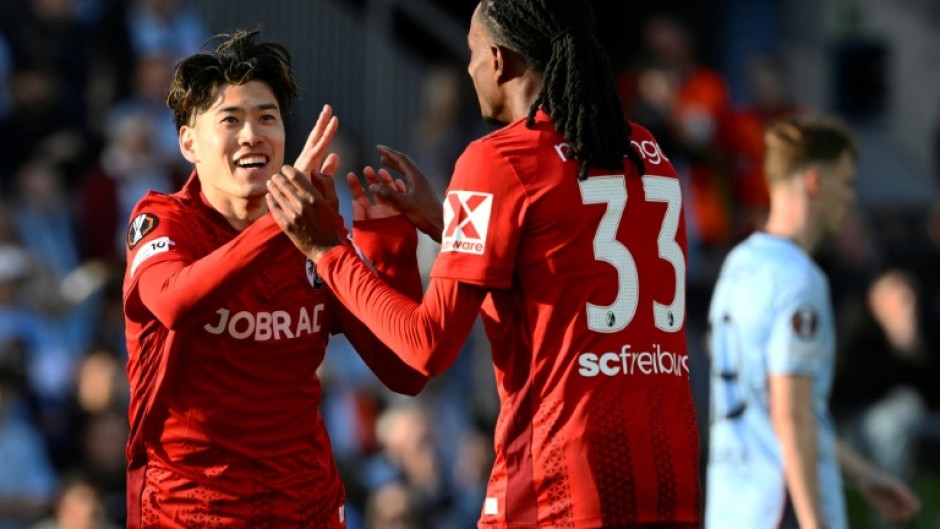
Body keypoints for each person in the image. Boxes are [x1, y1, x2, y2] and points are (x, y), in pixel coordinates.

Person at [266, 0, 701, 526]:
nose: (468, 69)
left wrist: (327, 250)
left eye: (471, 53)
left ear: (497, 59)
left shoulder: (497, 158)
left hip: (559, 480)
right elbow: (562, 263)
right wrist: (448, 227)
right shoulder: (644, 149)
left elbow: (425, 346)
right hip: (668, 468)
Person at [121, 30, 429, 528]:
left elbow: (405, 372)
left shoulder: (311, 232)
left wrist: (391, 248)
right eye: (231, 119)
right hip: (189, 513)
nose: (251, 134)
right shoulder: (163, 220)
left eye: (267, 117)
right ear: (188, 142)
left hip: (307, 508)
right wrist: (285, 223)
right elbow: (177, 302)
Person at [704, 115, 921, 529]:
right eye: (846, 180)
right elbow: (792, 416)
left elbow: (779, 409)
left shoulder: (739, 265)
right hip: (779, 509)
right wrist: (815, 523)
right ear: (816, 182)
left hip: (732, 509)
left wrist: (864, 474)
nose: (850, 196)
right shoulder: (799, 278)